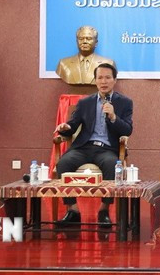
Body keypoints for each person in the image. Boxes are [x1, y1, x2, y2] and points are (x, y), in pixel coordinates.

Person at [54, 62, 133, 227]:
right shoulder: (85, 103)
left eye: (107, 78)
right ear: (95, 81)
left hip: (107, 149)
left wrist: (113, 117)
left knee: (112, 165)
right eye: (100, 78)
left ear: (114, 80)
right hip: (84, 147)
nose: (103, 81)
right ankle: (73, 210)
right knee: (64, 163)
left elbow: (127, 130)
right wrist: (66, 128)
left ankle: (104, 210)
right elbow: (73, 125)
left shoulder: (124, 102)